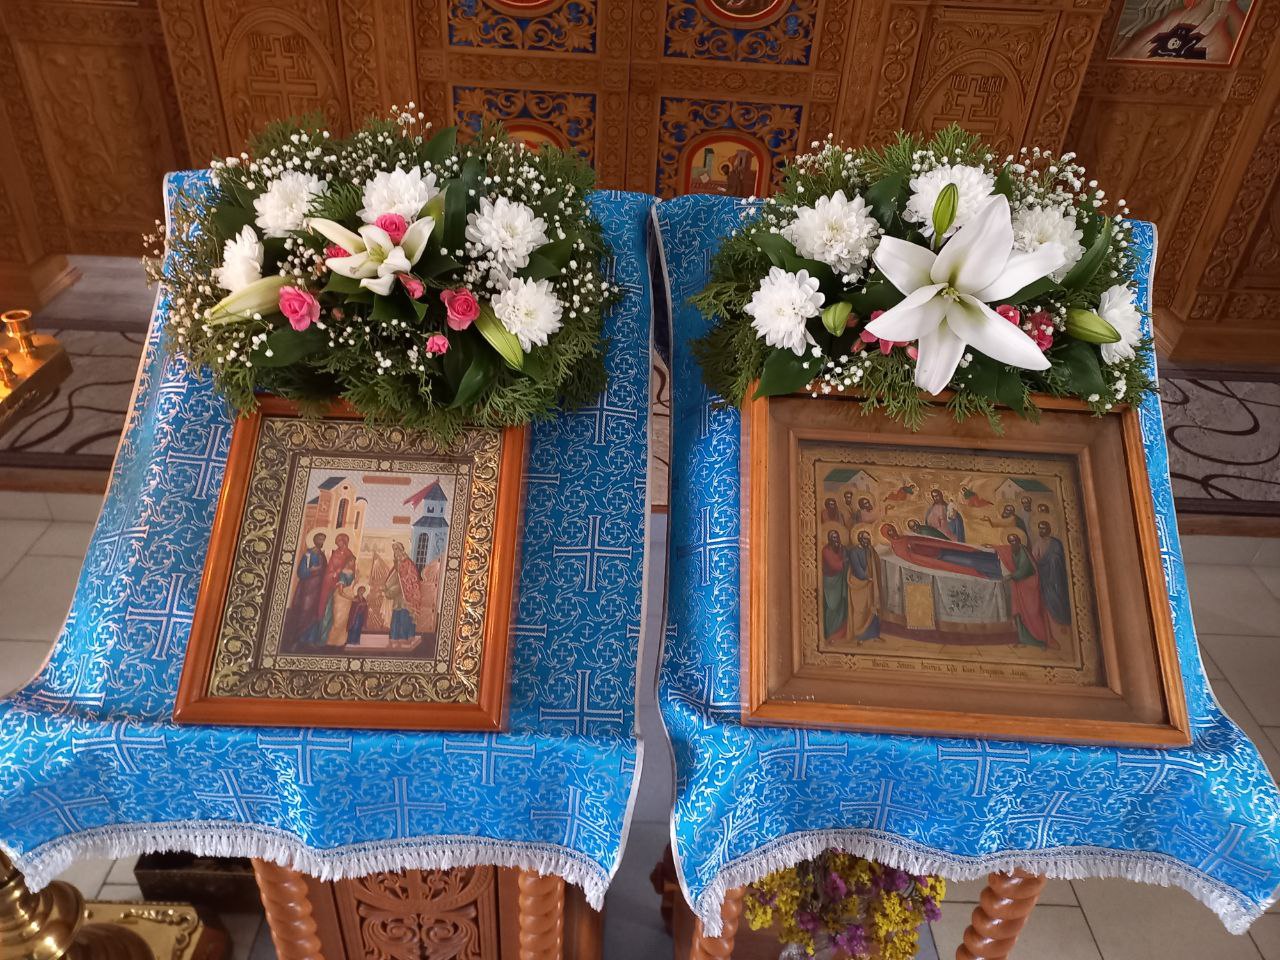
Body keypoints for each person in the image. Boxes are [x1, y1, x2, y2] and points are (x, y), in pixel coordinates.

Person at [879, 523, 1003, 580]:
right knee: (968, 562)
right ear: (886, 536)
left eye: (892, 529)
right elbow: (915, 559)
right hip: (938, 558)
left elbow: (926, 540)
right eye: (889, 532)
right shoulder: (897, 549)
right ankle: (996, 569)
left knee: (969, 553)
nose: (893, 533)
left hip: (941, 548)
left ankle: (996, 560)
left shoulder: (905, 536)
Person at [994, 533, 1053, 648]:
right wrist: (992, 547)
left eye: (1014, 540)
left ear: (1019, 540)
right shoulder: (1013, 550)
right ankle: (1022, 638)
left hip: (1029, 586)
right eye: (1010, 541)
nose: (1013, 543)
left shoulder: (1023, 551)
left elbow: (1026, 569)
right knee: (1018, 613)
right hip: (1018, 586)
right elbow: (1003, 549)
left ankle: (1040, 640)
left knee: (1032, 613)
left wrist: (1012, 576)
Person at [283, 532, 327, 648]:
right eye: (319, 539)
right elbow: (301, 572)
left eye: (323, 539)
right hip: (308, 587)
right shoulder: (308, 554)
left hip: (318, 588)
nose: (321, 541)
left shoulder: (322, 555)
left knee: (314, 613)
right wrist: (312, 570)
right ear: (314, 540)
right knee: (304, 611)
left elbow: (325, 571)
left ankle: (310, 639)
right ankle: (296, 640)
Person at [1032, 521, 1071, 644]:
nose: (1042, 531)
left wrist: (1053, 560)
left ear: (1049, 529)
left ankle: (1064, 622)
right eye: (1040, 528)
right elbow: (1034, 560)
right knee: (1048, 601)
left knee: (1059, 598)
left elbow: (1061, 559)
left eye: (1044, 528)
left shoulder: (1056, 543)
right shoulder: (1037, 543)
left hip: (1057, 578)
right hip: (1044, 578)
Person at [384, 541, 421, 647]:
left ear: (401, 550)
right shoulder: (397, 563)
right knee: (396, 616)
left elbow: (411, 578)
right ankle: (394, 639)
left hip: (407, 596)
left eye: (397, 549)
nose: (395, 552)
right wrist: (388, 587)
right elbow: (394, 577)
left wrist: (400, 587)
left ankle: (405, 639)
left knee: (405, 616)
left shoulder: (407, 563)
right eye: (394, 550)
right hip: (398, 596)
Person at [845, 529, 880, 641]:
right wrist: (866, 577)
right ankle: (859, 635)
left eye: (869, 539)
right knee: (860, 610)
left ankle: (873, 635)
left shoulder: (870, 550)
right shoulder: (854, 551)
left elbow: (875, 564)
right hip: (858, 584)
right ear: (860, 539)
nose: (867, 541)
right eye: (865, 539)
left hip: (869, 584)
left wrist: (872, 578)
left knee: (871, 608)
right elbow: (857, 567)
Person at [318, 533, 355, 623]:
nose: (337, 543)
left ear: (344, 541)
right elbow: (330, 566)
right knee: (326, 600)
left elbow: (350, 568)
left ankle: (328, 623)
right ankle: (321, 619)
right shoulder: (336, 552)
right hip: (330, 579)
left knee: (333, 606)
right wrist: (331, 574)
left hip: (340, 581)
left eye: (339, 541)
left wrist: (339, 571)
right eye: (337, 541)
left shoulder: (348, 553)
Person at [821, 527, 849, 641]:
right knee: (832, 606)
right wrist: (845, 561)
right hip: (830, 582)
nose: (836, 540)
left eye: (837, 537)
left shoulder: (842, 549)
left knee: (842, 604)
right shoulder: (826, 551)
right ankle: (830, 631)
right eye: (833, 538)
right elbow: (835, 565)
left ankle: (839, 631)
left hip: (841, 579)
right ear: (829, 540)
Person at [322, 558, 358, 647]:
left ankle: (340, 642)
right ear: (347, 561)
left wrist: (356, 579)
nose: (353, 563)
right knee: (337, 620)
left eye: (354, 562)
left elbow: (351, 586)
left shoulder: (352, 573)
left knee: (344, 621)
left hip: (348, 598)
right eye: (351, 561)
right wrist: (351, 598)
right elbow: (341, 592)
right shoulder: (342, 573)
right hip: (340, 599)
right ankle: (331, 641)